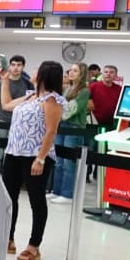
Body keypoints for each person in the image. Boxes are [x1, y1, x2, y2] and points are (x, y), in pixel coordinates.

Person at [0, 61, 64, 260]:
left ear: (44, 75)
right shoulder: (31, 96)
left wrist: (41, 158)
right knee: (9, 197)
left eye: (36, 69)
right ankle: (7, 238)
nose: (32, 72)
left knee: (36, 200)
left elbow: (51, 130)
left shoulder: (52, 100)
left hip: (35, 156)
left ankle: (34, 246)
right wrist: (4, 82)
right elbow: (7, 105)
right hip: (14, 153)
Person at [49, 62, 89, 203]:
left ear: (81, 74)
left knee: (68, 162)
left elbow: (72, 110)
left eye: (75, 71)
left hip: (74, 127)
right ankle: (57, 191)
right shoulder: (67, 88)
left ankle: (67, 194)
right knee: (58, 161)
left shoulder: (84, 91)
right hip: (61, 126)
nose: (71, 73)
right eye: (70, 70)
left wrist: (58, 112)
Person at [0, 56, 33, 167]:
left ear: (23, 67)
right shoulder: (0, 83)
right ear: (9, 66)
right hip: (0, 121)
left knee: (11, 155)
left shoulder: (27, 84)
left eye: (19, 65)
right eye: (13, 65)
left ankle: (6, 182)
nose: (15, 68)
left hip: (18, 124)